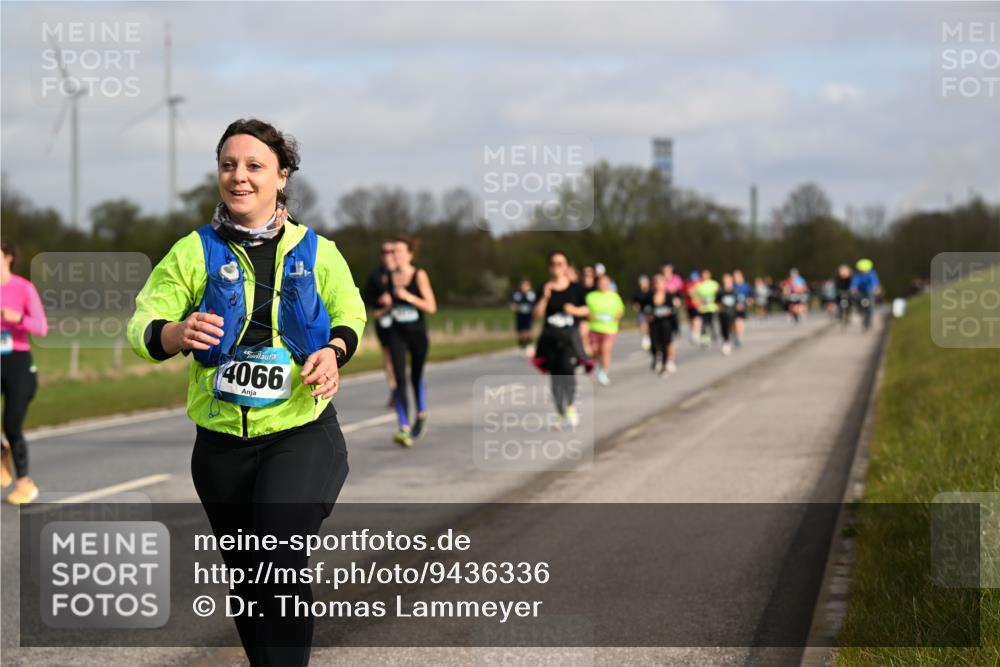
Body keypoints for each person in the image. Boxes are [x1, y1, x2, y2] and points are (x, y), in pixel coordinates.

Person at [127, 118, 366, 666]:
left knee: (278, 554)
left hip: (300, 434)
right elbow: (144, 322)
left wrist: (334, 350)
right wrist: (174, 332)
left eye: (255, 166)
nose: (240, 177)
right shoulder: (193, 251)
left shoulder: (318, 250)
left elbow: (351, 314)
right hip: (219, 447)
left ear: (281, 176)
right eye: (228, 165)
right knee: (250, 580)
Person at [1, 240, 49, 504]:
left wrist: (17, 318)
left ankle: (24, 485)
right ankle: (1, 452)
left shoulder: (23, 288)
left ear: (8, 257)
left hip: (18, 361)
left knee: (11, 424)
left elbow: (42, 327)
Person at [388, 237, 437, 447]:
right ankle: (403, 426)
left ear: (409, 254)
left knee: (416, 376)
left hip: (417, 334)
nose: (395, 256)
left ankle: (421, 413)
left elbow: (431, 307)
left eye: (399, 251)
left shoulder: (419, 275)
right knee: (399, 378)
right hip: (397, 333)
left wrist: (408, 297)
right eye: (393, 252)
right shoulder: (388, 277)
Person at [532, 251, 590, 428]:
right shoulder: (544, 288)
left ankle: (571, 406)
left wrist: (575, 310)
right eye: (553, 264)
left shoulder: (576, 289)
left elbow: (588, 310)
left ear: (566, 267)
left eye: (560, 263)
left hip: (569, 338)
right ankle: (560, 412)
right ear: (549, 267)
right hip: (550, 338)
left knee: (567, 370)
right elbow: (536, 315)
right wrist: (545, 298)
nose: (556, 267)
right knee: (555, 377)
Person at [363, 241, 398, 408]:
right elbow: (366, 297)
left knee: (401, 355)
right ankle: (394, 390)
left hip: (403, 323)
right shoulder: (375, 275)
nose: (388, 254)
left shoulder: (403, 272)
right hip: (384, 321)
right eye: (385, 251)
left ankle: (403, 387)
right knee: (388, 356)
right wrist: (380, 301)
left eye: (392, 251)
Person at [585, 274, 625, 385]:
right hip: (594, 327)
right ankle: (599, 365)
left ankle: (604, 372)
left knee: (605, 350)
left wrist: (615, 317)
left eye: (605, 283)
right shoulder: (591, 296)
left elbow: (620, 310)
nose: (603, 285)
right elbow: (586, 310)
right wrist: (592, 316)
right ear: (597, 284)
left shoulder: (614, 296)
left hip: (609, 328)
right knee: (594, 351)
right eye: (601, 282)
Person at [648, 273, 681, 375]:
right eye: (656, 283)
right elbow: (645, 309)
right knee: (654, 343)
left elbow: (674, 310)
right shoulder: (649, 296)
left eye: (660, 282)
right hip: (654, 324)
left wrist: (668, 312)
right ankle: (657, 357)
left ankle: (666, 363)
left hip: (667, 323)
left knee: (667, 343)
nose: (658, 285)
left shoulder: (670, 296)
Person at [660, 262, 685, 373]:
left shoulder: (676, 279)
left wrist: (677, 300)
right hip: (659, 313)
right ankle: (662, 356)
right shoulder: (658, 280)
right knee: (661, 339)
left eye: (668, 269)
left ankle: (670, 360)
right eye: (665, 269)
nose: (666, 271)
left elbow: (680, 293)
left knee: (670, 338)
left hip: (671, 313)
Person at [851, 258, 881, 332]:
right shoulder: (858, 275)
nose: (863, 271)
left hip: (869, 290)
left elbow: (874, 282)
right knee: (856, 298)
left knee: (870, 304)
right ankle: (859, 309)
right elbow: (855, 282)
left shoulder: (872, 274)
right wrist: (853, 287)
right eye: (861, 270)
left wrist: (875, 288)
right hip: (861, 291)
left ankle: (869, 319)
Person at [691, 269, 720, 348]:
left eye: (706, 275)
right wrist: (697, 304)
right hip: (703, 308)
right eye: (703, 275)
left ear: (709, 275)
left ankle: (713, 334)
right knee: (703, 324)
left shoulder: (714, 284)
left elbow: (720, 294)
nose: (705, 276)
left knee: (710, 323)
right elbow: (694, 296)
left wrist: (718, 304)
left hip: (712, 308)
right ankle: (705, 340)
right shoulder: (699, 285)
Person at [510, 278, 537, 357]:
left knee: (528, 331)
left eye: (526, 285)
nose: (524, 287)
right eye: (523, 285)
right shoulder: (517, 295)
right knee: (520, 332)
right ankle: (522, 347)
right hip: (520, 315)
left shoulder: (531, 295)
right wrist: (515, 308)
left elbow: (535, 304)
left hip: (528, 315)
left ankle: (529, 346)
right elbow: (513, 305)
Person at [716, 273, 739, 355]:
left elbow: (737, 301)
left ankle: (735, 337)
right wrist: (720, 309)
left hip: (732, 312)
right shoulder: (720, 291)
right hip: (723, 313)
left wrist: (738, 306)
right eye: (725, 280)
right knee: (724, 328)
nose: (727, 281)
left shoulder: (734, 291)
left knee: (732, 326)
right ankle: (726, 342)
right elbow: (717, 302)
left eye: (728, 280)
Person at [631, 274, 652, 351]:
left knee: (650, 327)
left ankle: (650, 336)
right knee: (643, 324)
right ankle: (645, 337)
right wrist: (636, 306)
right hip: (642, 312)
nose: (644, 284)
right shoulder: (637, 293)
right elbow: (634, 303)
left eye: (645, 282)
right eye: (642, 282)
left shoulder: (651, 292)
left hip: (652, 312)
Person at [732, 269, 751, 347]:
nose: (735, 278)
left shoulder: (746, 286)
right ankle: (736, 335)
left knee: (740, 321)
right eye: (734, 277)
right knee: (733, 323)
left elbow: (751, 296)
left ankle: (739, 337)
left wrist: (749, 301)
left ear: (741, 276)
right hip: (733, 307)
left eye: (737, 276)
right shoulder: (732, 286)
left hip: (743, 306)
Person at [684, 270, 702, 344]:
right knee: (692, 320)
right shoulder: (688, 284)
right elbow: (688, 292)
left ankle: (696, 334)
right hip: (690, 305)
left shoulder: (700, 283)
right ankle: (693, 333)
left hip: (698, 305)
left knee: (697, 319)